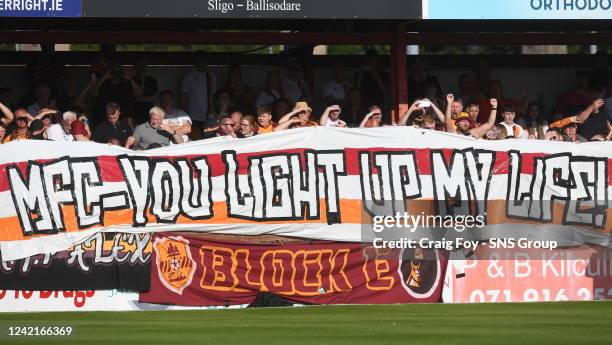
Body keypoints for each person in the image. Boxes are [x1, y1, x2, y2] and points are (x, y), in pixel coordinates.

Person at [181, 51, 217, 139]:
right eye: (200, 59)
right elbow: (183, 98)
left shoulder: (210, 76)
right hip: (193, 117)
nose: (202, 61)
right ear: (196, 60)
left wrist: (213, 112)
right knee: (196, 140)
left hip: (208, 117)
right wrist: (186, 116)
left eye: (204, 59)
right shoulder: (189, 77)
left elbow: (213, 95)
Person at [133, 59, 159, 126]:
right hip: (134, 114)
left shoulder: (152, 80)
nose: (142, 67)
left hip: (148, 114)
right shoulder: (131, 80)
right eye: (140, 65)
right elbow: (135, 97)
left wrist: (140, 99)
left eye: (144, 65)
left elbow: (155, 98)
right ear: (135, 67)